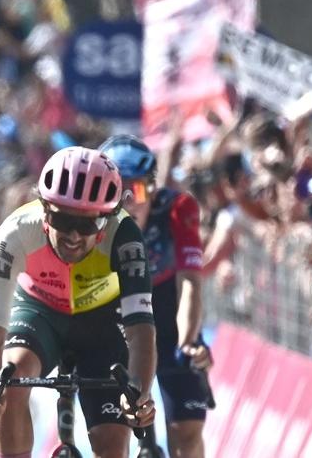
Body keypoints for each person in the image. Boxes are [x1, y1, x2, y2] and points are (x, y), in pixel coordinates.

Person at [0, 146, 156, 458]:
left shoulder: (124, 234)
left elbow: (140, 330)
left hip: (103, 321)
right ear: (43, 211)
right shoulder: (14, 233)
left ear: (106, 221)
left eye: (87, 225)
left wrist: (140, 394)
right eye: (61, 219)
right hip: (39, 311)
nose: (73, 236)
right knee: (10, 379)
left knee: (112, 445)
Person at [100, 135, 210, 458]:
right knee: (111, 438)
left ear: (154, 188)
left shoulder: (178, 208)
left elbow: (190, 282)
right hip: (113, 315)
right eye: (116, 193)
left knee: (186, 432)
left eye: (138, 190)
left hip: (167, 310)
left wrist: (188, 340)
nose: (130, 202)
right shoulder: (90, 217)